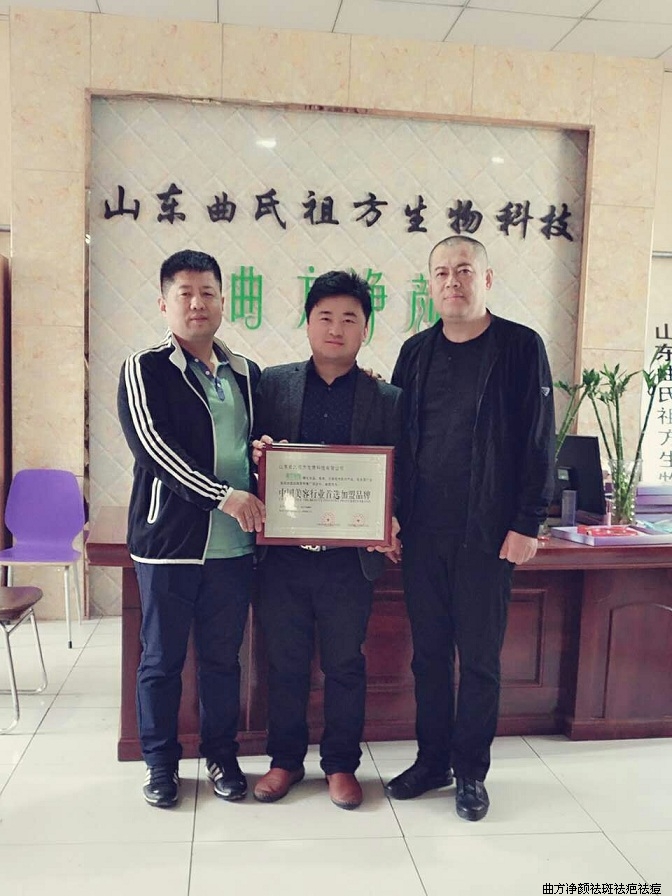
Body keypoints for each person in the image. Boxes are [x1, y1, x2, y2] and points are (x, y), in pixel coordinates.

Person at [385, 235, 555, 821]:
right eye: (440, 272)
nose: (451, 280)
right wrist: (389, 514)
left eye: (463, 269)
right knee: (429, 657)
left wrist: (528, 520)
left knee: (479, 661)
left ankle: (471, 773)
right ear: (429, 285)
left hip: (487, 535)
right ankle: (432, 761)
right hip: (423, 534)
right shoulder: (415, 352)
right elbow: (397, 440)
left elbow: (539, 437)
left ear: (486, 279)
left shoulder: (520, 347)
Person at [117, 249, 266, 808]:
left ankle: (222, 756)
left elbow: (258, 442)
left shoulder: (245, 372)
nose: (197, 303)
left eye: (207, 292)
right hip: (169, 544)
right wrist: (223, 496)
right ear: (164, 304)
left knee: (223, 661)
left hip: (234, 546)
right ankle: (160, 765)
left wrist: (264, 454)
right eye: (185, 293)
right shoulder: (145, 368)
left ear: (224, 300)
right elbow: (153, 448)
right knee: (161, 661)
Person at [251, 270, 401, 810]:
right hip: (283, 557)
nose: (336, 329)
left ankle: (340, 764)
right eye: (325, 317)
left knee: (344, 665)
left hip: (348, 561)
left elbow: (403, 473)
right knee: (285, 663)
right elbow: (244, 454)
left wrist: (393, 520)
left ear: (365, 329)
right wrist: (256, 454)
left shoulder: (387, 398)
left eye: (349, 319)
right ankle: (285, 760)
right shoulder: (272, 385)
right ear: (308, 323)